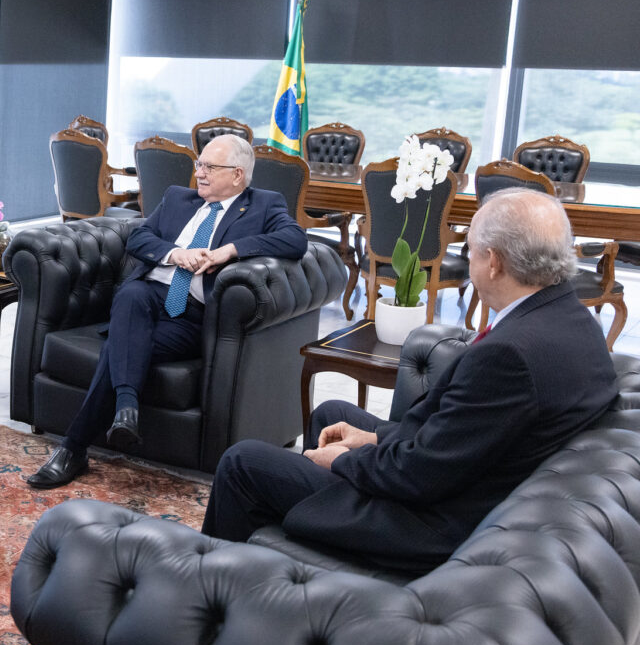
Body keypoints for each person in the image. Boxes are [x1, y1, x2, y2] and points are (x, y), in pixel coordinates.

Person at [202, 188, 619, 572]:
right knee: (332, 413)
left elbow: (420, 475)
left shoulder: (509, 355)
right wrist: (374, 440)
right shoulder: (572, 318)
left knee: (243, 462)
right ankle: (293, 559)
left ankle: (216, 586)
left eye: (470, 251)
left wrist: (346, 461)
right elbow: (458, 439)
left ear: (493, 262)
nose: (470, 261)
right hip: (463, 475)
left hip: (429, 523)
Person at [27, 134, 308, 488]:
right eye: (199, 164)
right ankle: (106, 422)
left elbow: (295, 240)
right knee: (132, 295)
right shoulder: (179, 198)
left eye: (210, 166)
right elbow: (139, 239)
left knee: (121, 345)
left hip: (190, 316)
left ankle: (79, 445)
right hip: (147, 297)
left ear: (238, 175)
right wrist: (176, 253)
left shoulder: (264, 205)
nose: (200, 173)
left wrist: (229, 251)